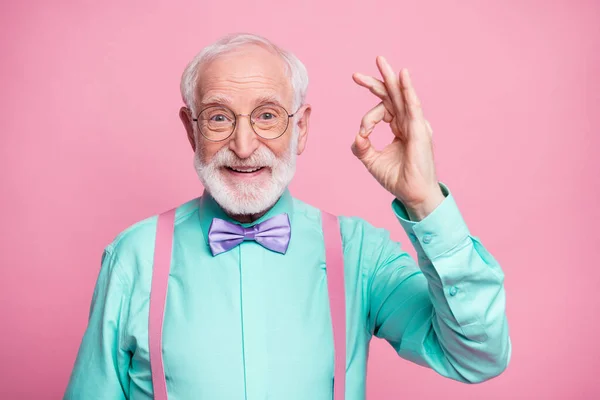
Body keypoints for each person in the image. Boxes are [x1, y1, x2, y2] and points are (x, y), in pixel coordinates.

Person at [64, 33, 511, 400]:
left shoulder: (360, 255)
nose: (243, 145)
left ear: (301, 128)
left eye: (267, 116)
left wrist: (424, 200)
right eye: (219, 117)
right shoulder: (133, 258)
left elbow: (477, 355)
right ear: (191, 130)